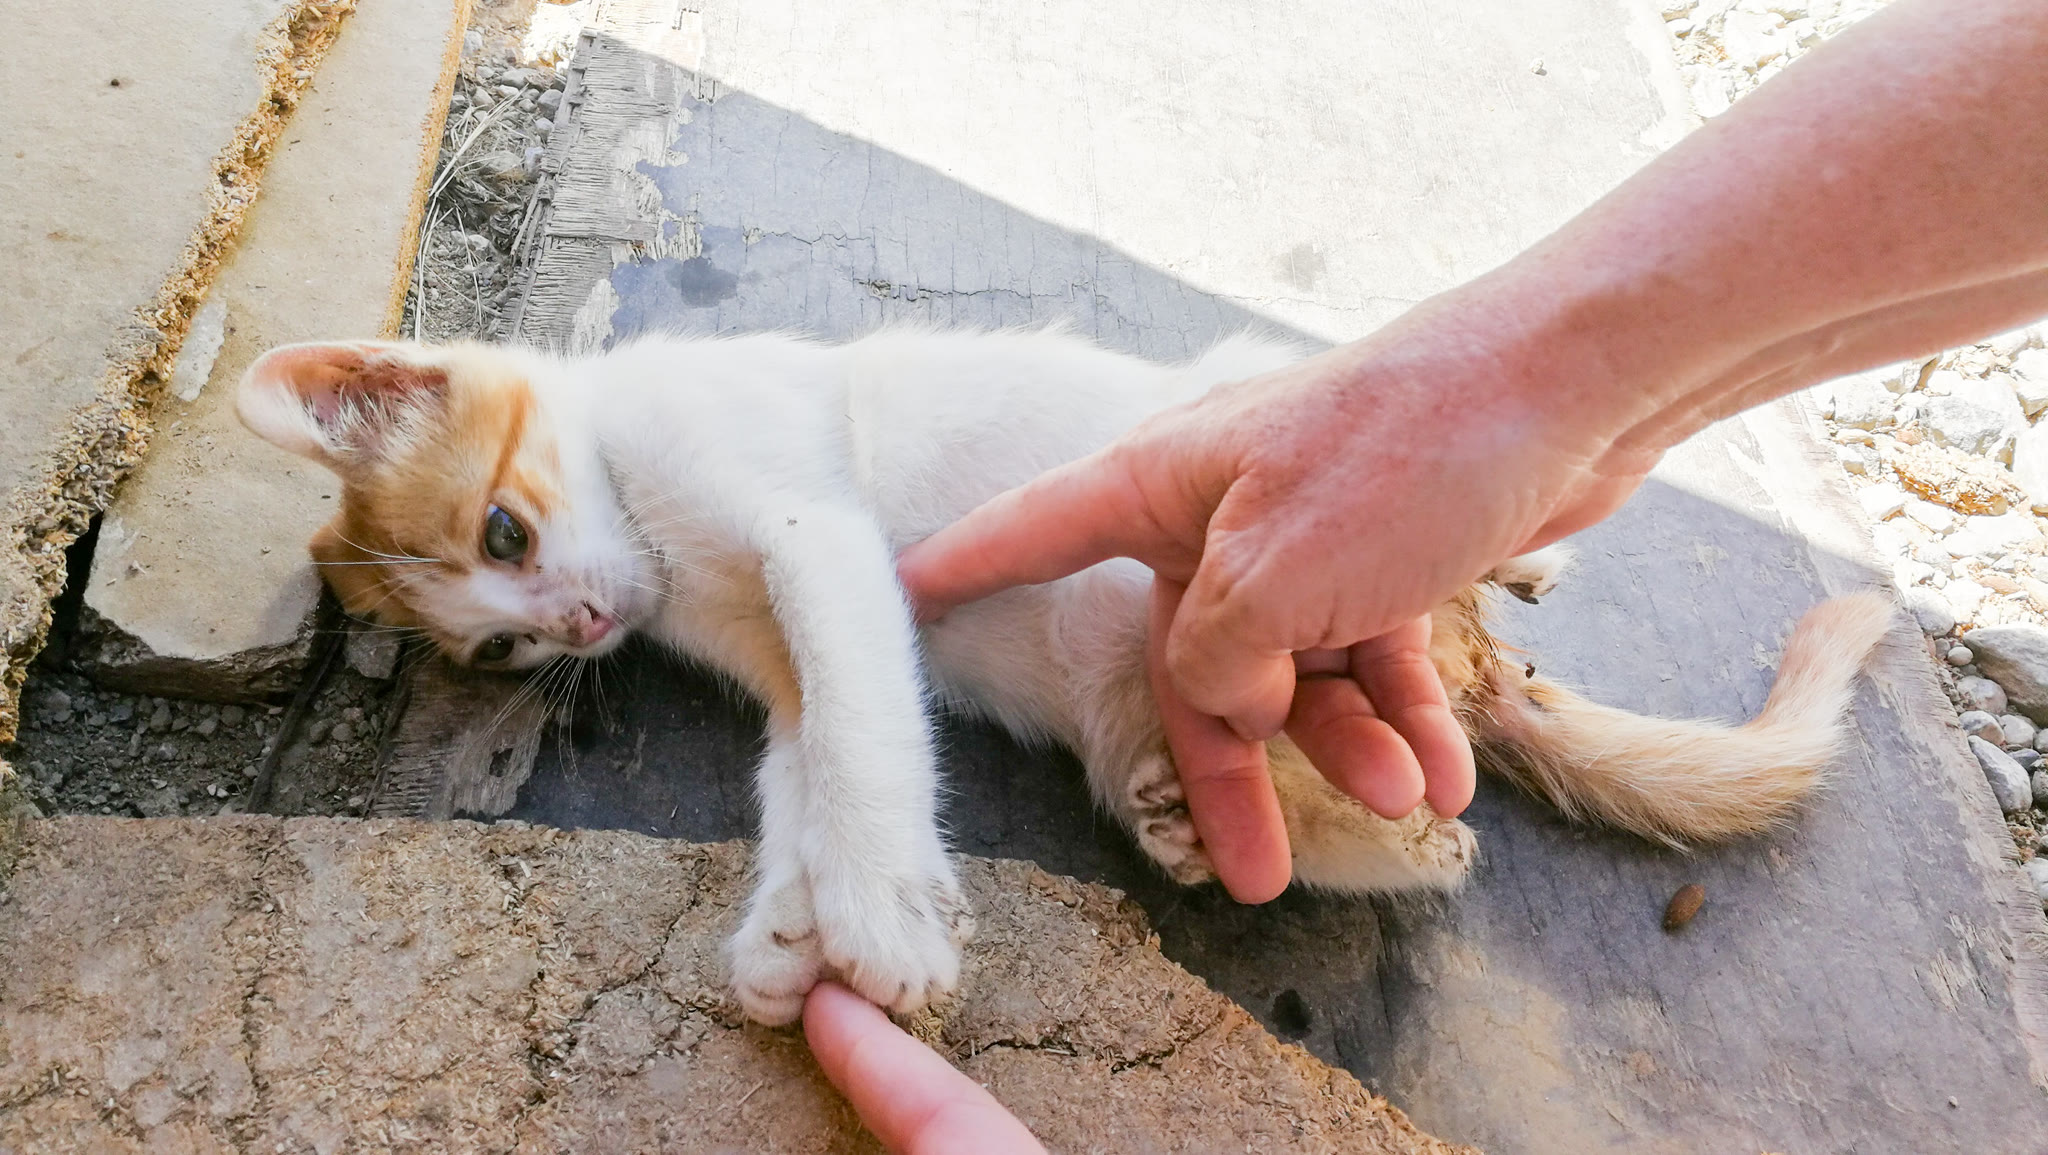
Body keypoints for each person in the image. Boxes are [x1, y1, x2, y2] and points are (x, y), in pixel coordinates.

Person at [818, 0, 2048, 1147]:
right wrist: (1546, 395)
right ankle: (1409, 735)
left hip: (1246, 550)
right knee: (1200, 710)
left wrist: (1507, 399)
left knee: (1220, 620)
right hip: (1236, 587)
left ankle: (1448, 639)